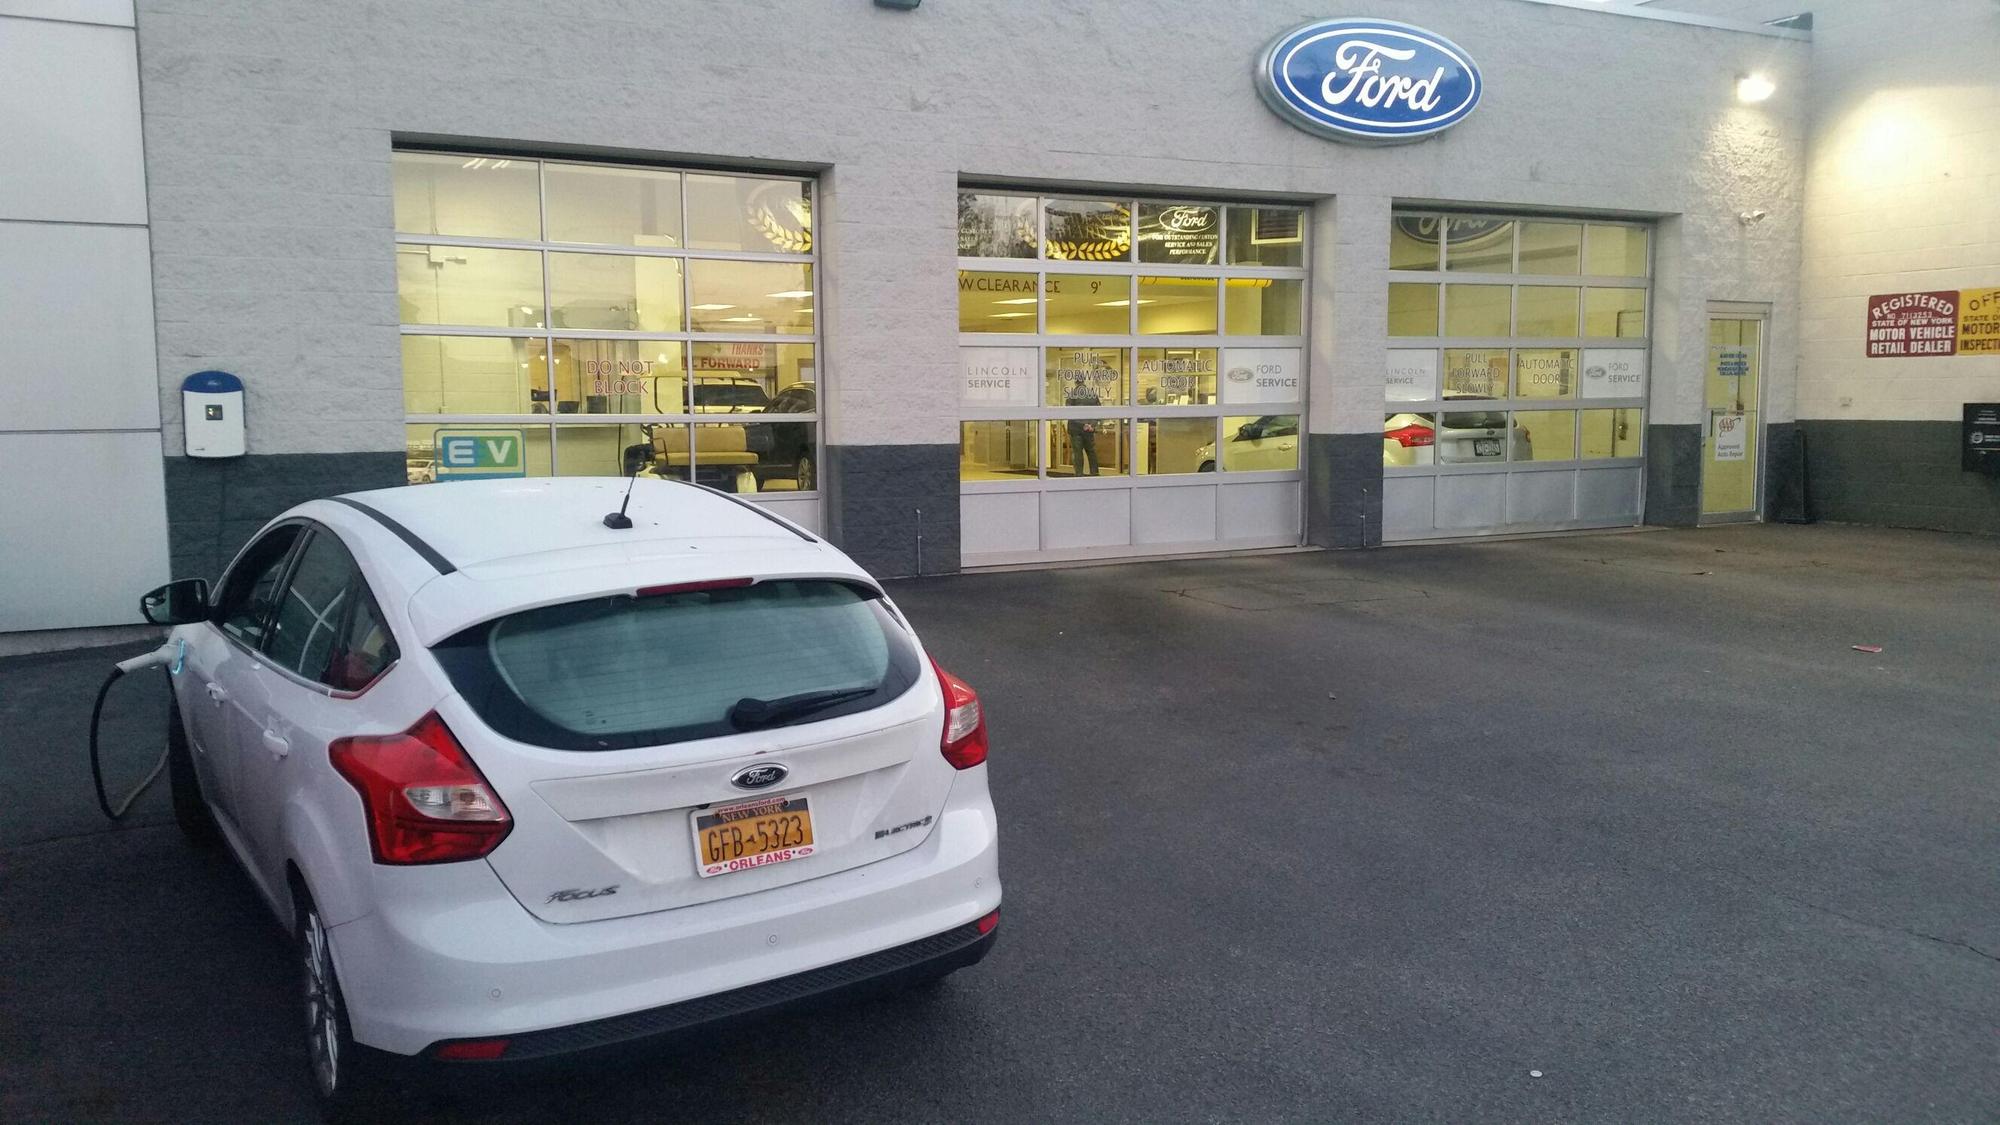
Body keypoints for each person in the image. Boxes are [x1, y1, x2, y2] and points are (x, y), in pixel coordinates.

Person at [1064, 375, 1102, 475]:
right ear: (1084, 381)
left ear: (1075, 382)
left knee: (1077, 454)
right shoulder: (1092, 394)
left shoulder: (1072, 395)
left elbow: (1070, 413)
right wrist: (1091, 425)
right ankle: (1094, 474)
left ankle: (1079, 475)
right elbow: (1099, 412)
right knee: (1091, 453)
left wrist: (1082, 424)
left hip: (1076, 430)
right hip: (1089, 430)